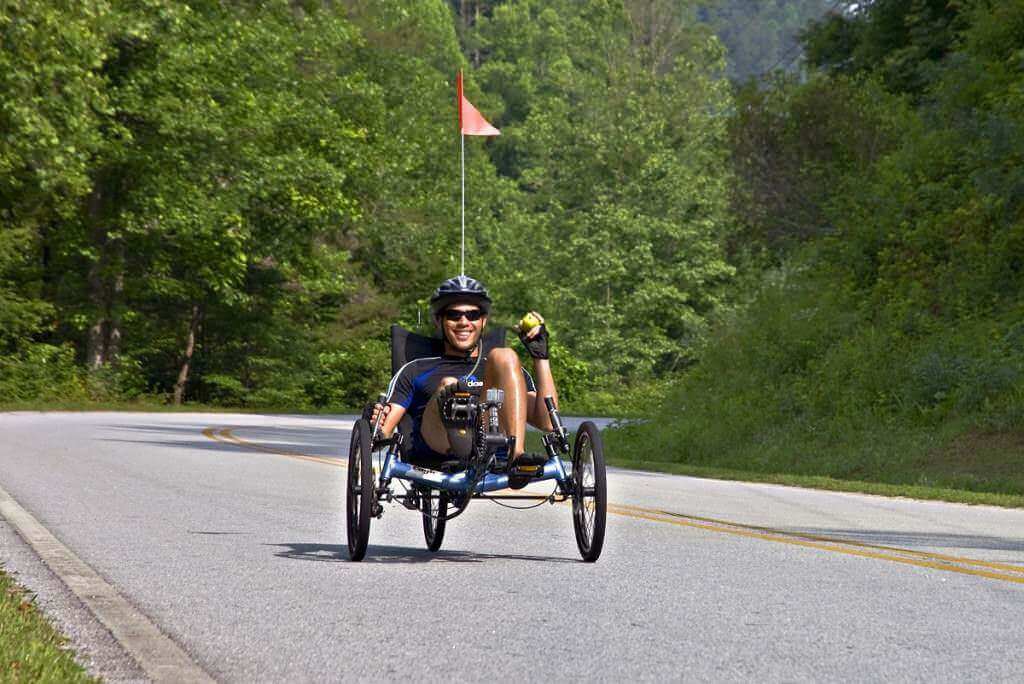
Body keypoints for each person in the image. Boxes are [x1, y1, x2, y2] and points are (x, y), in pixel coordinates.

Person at [373, 275, 557, 471]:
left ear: (483, 321)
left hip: (487, 439)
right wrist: (376, 424)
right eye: (453, 315)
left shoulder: (506, 372)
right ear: (439, 321)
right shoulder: (415, 369)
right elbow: (383, 431)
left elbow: (547, 423)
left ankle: (516, 456)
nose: (463, 322)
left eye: (472, 315)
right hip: (437, 445)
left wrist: (541, 358)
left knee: (506, 355)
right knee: (449, 385)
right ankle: (460, 445)